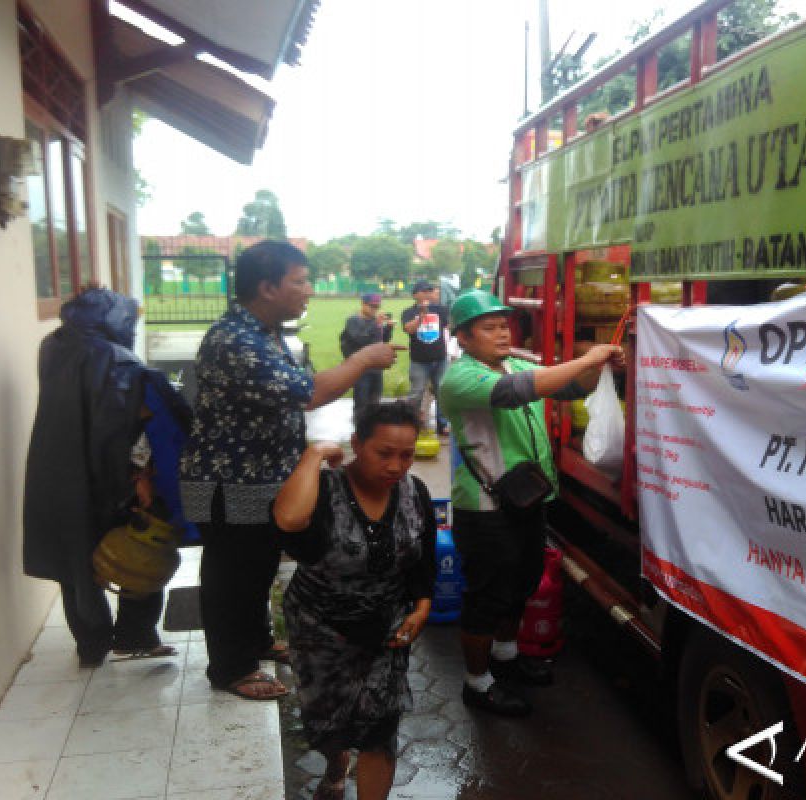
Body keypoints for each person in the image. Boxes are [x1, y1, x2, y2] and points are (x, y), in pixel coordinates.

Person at [179, 241, 401, 701]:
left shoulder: (265, 332)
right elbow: (307, 393)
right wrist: (361, 360)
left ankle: (256, 641)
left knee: (258, 565)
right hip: (229, 482)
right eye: (299, 281)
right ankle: (230, 668)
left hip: (262, 477)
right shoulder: (235, 341)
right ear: (267, 286)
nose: (308, 291)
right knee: (231, 572)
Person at [438, 290, 623, 716]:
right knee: (488, 596)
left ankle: (506, 656)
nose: (502, 332)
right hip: (484, 509)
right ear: (463, 338)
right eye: (489, 326)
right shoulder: (461, 377)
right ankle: (477, 684)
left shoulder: (517, 362)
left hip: (526, 500)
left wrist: (606, 369)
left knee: (521, 584)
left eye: (505, 324)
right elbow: (523, 389)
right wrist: (588, 357)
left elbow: (571, 385)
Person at [272, 402, 434, 800]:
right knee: (327, 722)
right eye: (384, 453)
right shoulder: (325, 490)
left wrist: (422, 606)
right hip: (319, 627)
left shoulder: (415, 492)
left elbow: (423, 556)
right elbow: (289, 521)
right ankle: (335, 762)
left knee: (380, 728)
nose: (396, 466)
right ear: (357, 443)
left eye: (407, 454)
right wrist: (313, 456)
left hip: (385, 625)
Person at [23, 288, 182, 667]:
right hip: (111, 475)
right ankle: (135, 635)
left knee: (75, 561)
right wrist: (139, 476)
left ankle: (91, 645)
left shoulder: (53, 347)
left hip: (58, 473)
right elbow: (120, 430)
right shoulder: (117, 360)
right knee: (142, 548)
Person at [400, 279, 450, 436]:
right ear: (415, 295)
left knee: (441, 391)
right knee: (416, 393)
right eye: (425, 291)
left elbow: (449, 327)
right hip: (419, 361)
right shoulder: (408, 312)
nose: (429, 293)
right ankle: (411, 423)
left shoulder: (440, 310)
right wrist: (421, 315)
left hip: (440, 359)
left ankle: (443, 425)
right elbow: (409, 329)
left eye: (430, 290)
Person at [340, 293, 394, 413]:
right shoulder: (353, 320)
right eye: (372, 306)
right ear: (363, 304)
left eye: (377, 307)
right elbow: (359, 339)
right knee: (361, 401)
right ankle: (360, 428)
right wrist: (376, 325)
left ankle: (372, 428)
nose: (375, 310)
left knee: (375, 401)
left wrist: (389, 328)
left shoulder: (375, 321)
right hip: (360, 367)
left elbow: (383, 340)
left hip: (376, 366)